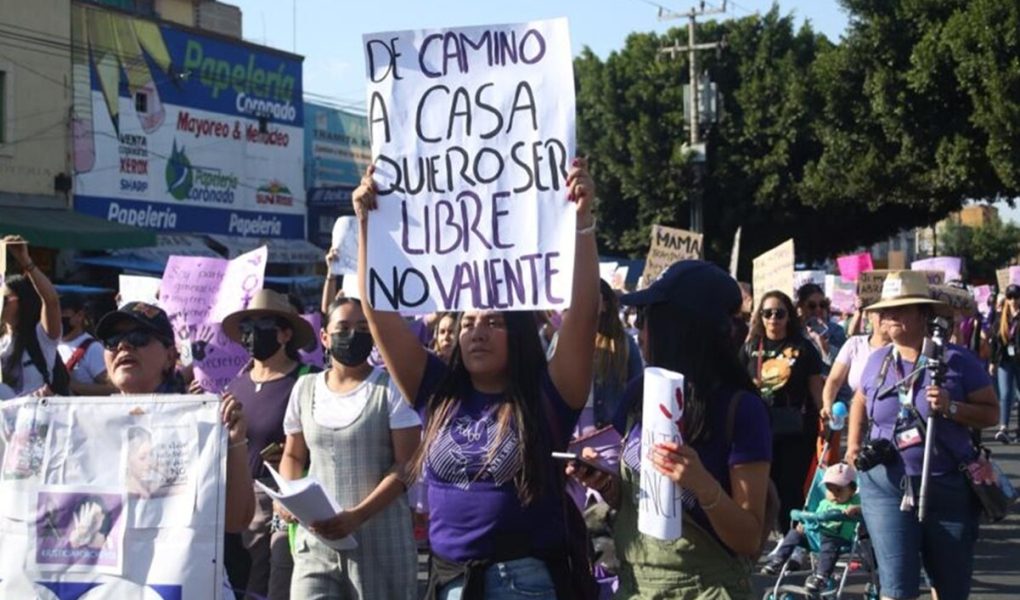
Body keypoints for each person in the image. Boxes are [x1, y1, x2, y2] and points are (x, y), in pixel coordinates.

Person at [355, 158, 600, 600]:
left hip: (523, 585)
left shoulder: (548, 395)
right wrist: (369, 225)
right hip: (450, 581)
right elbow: (377, 313)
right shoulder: (436, 392)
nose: (477, 332)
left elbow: (583, 315)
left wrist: (583, 225)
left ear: (518, 334)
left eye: (493, 322)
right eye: (467, 323)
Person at [570, 260, 772, 599]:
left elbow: (748, 538)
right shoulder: (638, 393)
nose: (638, 331)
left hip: (706, 589)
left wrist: (701, 484)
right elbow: (635, 499)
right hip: (636, 586)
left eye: (645, 318)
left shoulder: (741, 409)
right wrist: (605, 482)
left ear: (680, 327)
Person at [844, 271, 997, 600]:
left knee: (951, 588)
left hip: (947, 488)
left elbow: (991, 413)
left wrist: (951, 407)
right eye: (885, 310)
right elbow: (859, 400)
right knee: (896, 588)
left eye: (900, 309)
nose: (890, 316)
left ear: (923, 314)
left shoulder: (957, 360)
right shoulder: (877, 361)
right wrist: (853, 445)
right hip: (886, 488)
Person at [277, 296, 422, 599]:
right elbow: (293, 454)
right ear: (325, 337)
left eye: (362, 328)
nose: (353, 335)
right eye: (343, 328)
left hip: (380, 543)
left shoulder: (391, 388)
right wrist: (288, 494)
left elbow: (406, 465)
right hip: (317, 543)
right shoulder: (304, 388)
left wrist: (357, 516)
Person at [95, 302, 256, 534]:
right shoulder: (88, 425)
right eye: (112, 341)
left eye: (139, 337)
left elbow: (236, 521)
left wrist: (234, 442)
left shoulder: (204, 422)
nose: (123, 346)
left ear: (170, 356)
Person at [221, 289, 321, 600]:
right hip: (238, 503)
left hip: (285, 501)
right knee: (241, 585)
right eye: (246, 328)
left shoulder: (309, 380)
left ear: (285, 334)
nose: (251, 335)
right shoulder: (236, 384)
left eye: (261, 326)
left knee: (276, 585)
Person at [740, 290, 824, 531]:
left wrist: (825, 420)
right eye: (767, 313)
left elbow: (816, 390)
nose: (773, 318)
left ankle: (790, 538)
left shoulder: (804, 348)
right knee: (762, 485)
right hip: (758, 427)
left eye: (779, 313)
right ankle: (764, 534)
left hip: (795, 429)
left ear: (789, 316)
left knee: (790, 487)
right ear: (760, 316)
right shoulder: (750, 347)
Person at [760, 463, 861, 593]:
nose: (833, 494)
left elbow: (868, 509)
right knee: (794, 533)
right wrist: (804, 524)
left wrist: (857, 509)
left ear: (852, 490)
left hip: (837, 539)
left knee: (829, 544)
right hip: (815, 537)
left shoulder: (854, 502)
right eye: (829, 489)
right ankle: (778, 560)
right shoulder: (824, 503)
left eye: (839, 490)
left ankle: (821, 577)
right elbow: (815, 518)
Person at [1, 235, 62, 397]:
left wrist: (26, 262)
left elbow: (51, 302)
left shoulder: (41, 337)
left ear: (22, 302)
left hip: (35, 411)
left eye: (4, 299)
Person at [57, 293, 115, 396]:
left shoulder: (93, 349)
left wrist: (73, 385)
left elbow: (113, 389)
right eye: (55, 314)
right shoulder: (50, 345)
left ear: (79, 316)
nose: (58, 318)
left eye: (63, 314)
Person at [989, 283, 1020, 443]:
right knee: (1005, 394)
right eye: (1010, 297)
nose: (1013, 300)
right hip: (1005, 360)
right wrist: (992, 361)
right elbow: (995, 341)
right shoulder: (1002, 317)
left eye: (1016, 297)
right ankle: (1004, 427)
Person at [796, 283, 846, 366]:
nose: (818, 309)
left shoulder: (837, 331)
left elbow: (840, 365)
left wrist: (822, 343)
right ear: (801, 307)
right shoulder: (793, 331)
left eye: (822, 305)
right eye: (812, 306)